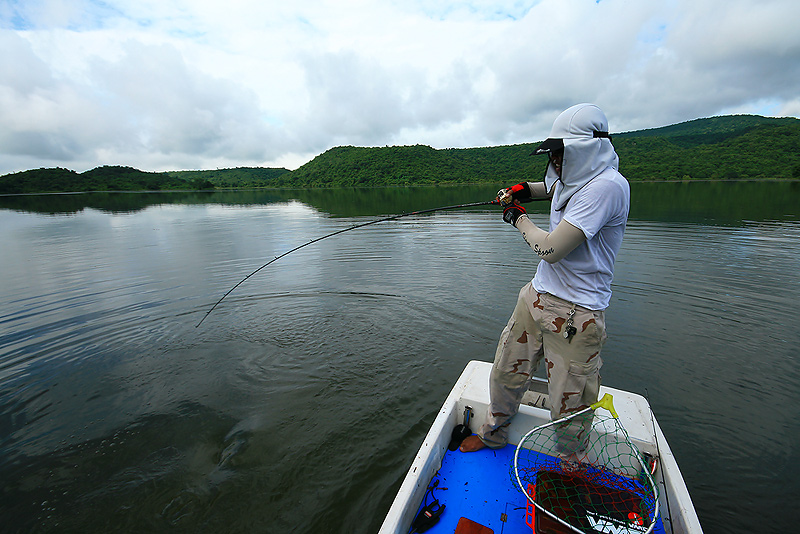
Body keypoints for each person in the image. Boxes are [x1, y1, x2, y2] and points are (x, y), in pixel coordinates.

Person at [460, 103, 630, 457]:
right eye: (554, 154)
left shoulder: (607, 188)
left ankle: (570, 465)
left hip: (577, 315)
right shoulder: (574, 176)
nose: (555, 161)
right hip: (535, 297)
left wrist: (516, 217)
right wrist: (523, 190)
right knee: (506, 374)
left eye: (561, 154)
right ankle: (493, 434)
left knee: (569, 404)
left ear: (585, 151)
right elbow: (549, 188)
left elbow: (551, 250)